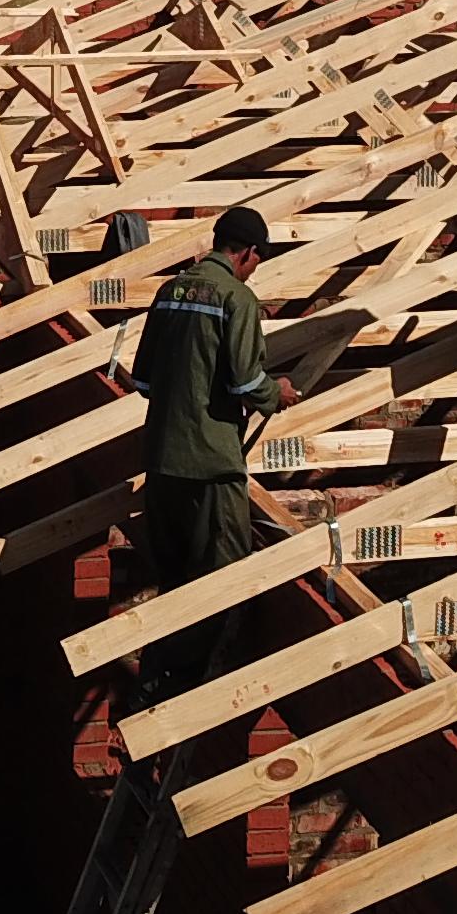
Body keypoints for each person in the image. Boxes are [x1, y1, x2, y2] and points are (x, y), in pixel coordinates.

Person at [129, 206, 282, 685]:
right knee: (223, 577)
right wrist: (277, 393)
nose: (254, 270)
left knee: (174, 580)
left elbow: (142, 380)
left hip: (161, 462)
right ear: (248, 253)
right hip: (211, 466)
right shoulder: (237, 298)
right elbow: (247, 382)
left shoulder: (169, 291)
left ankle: (152, 679)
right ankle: (185, 683)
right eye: (257, 261)